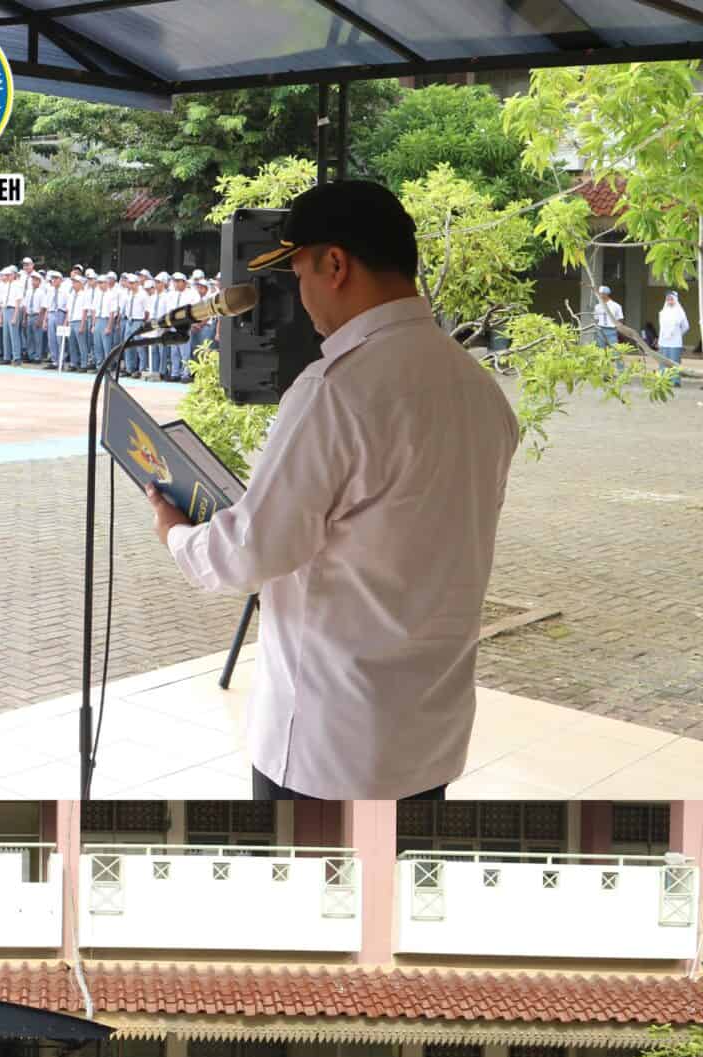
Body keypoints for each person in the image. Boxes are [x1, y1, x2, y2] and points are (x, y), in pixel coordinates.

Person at [146, 180, 521, 802]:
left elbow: (247, 556)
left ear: (335, 264)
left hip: (328, 745)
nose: (301, 296)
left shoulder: (334, 391)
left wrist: (178, 534)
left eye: (298, 274)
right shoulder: (478, 388)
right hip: (427, 737)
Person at [657, 291, 690, 385]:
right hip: (664, 341)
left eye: (671, 299)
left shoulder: (680, 312)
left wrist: (678, 334)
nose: (669, 301)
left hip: (675, 342)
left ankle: (675, 381)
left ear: (675, 300)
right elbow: (661, 328)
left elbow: (686, 326)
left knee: (674, 362)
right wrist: (660, 340)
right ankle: (663, 380)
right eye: (668, 299)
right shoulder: (663, 312)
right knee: (663, 361)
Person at [592, 284, 624, 350]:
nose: (599, 295)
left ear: (605, 294)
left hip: (612, 330)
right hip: (600, 330)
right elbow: (596, 319)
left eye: (601, 294)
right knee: (600, 351)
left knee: (614, 351)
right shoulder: (597, 306)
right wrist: (596, 330)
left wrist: (618, 329)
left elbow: (620, 319)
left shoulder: (616, 306)